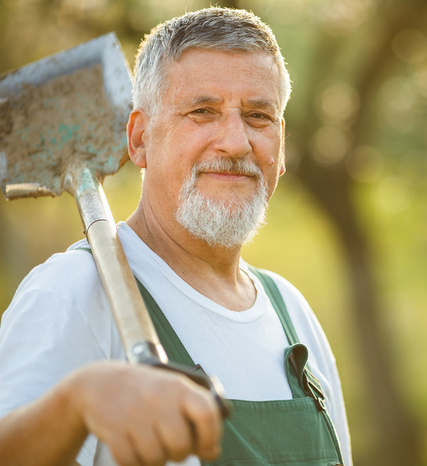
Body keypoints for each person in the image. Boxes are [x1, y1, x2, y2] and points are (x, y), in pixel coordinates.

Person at [0, 7, 351, 466]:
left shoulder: (292, 313)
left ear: (281, 146)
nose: (235, 142)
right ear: (140, 138)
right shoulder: (72, 292)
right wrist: (76, 401)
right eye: (202, 112)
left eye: (258, 116)